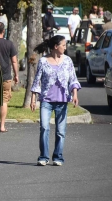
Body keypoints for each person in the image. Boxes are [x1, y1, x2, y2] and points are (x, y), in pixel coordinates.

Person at [30, 35, 81, 166]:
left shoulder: (68, 61)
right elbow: (37, 81)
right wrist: (33, 99)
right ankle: (43, 157)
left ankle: (58, 157)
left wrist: (74, 94)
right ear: (55, 47)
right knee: (44, 128)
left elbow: (73, 79)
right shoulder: (43, 61)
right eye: (63, 45)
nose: (65, 47)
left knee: (60, 131)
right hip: (46, 101)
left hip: (62, 101)